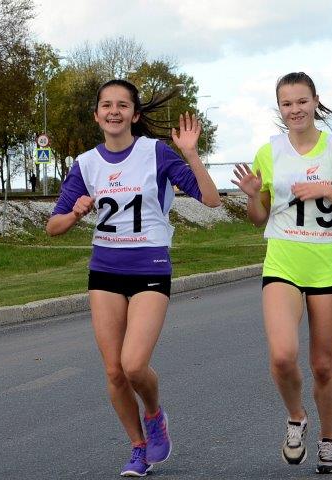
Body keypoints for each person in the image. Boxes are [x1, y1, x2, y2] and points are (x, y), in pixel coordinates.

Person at [46, 79, 220, 477]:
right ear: (96, 115)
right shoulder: (86, 164)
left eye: (122, 105)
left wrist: (191, 154)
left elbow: (211, 199)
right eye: (106, 105)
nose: (114, 111)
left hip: (150, 267)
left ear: (134, 114)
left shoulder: (154, 152)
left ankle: (154, 415)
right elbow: (53, 227)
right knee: (114, 371)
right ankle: (138, 447)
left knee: (134, 365)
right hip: (105, 271)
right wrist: (75, 213)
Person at [232, 72, 332, 474]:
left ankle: (329, 440)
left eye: (301, 101)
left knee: (323, 366)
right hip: (282, 263)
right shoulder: (269, 152)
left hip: (327, 267)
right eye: (286, 103)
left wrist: (328, 190)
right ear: (279, 108)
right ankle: (296, 417)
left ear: (315, 101)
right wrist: (252, 197)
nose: (294, 109)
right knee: (282, 356)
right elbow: (258, 217)